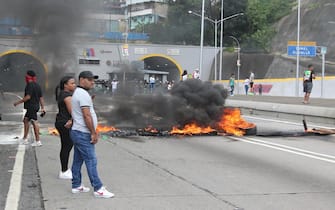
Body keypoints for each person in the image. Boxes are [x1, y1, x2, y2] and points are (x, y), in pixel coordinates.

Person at [70, 71, 114, 198]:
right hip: (83, 133)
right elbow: (86, 115)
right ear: (82, 79)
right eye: (90, 80)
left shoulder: (79, 93)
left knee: (78, 160)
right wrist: (93, 133)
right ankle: (98, 188)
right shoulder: (82, 94)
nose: (92, 82)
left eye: (93, 80)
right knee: (91, 160)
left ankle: (76, 185)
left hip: (77, 131)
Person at [13, 70, 45, 146]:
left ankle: (37, 141)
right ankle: (25, 138)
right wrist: (43, 107)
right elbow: (41, 98)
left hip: (31, 106)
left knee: (34, 122)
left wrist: (18, 102)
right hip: (35, 106)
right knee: (26, 120)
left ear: (28, 77)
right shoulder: (37, 85)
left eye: (26, 76)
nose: (25, 78)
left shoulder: (29, 85)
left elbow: (28, 97)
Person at [55, 76, 76, 179]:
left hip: (61, 122)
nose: (74, 85)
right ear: (65, 85)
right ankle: (64, 171)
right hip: (65, 123)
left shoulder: (63, 94)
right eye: (72, 83)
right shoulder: (67, 96)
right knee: (67, 146)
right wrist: (72, 120)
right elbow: (72, 111)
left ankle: (64, 170)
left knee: (65, 146)